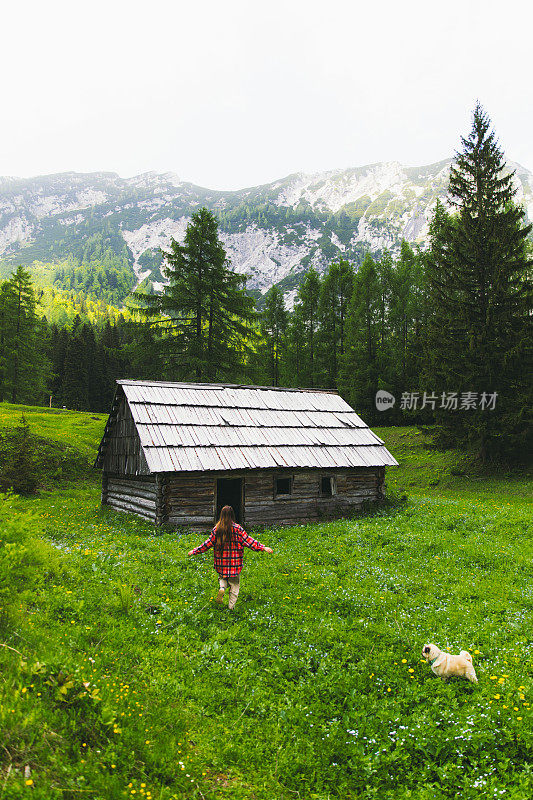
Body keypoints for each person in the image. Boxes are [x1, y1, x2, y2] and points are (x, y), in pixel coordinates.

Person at [188, 505, 273, 610]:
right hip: (234, 564)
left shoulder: (217, 529)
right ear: (233, 515)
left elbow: (207, 544)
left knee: (222, 578)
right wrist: (263, 547)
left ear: (221, 515)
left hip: (221, 564)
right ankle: (231, 608)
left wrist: (194, 551)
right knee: (234, 586)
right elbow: (249, 541)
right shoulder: (238, 529)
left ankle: (222, 588)